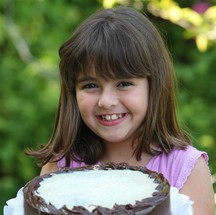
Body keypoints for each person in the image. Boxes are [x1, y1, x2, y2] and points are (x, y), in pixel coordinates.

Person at [26, 6, 214, 214]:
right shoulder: (60, 167)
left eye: (123, 83)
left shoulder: (185, 170)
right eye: (90, 85)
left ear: (154, 85)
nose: (106, 101)